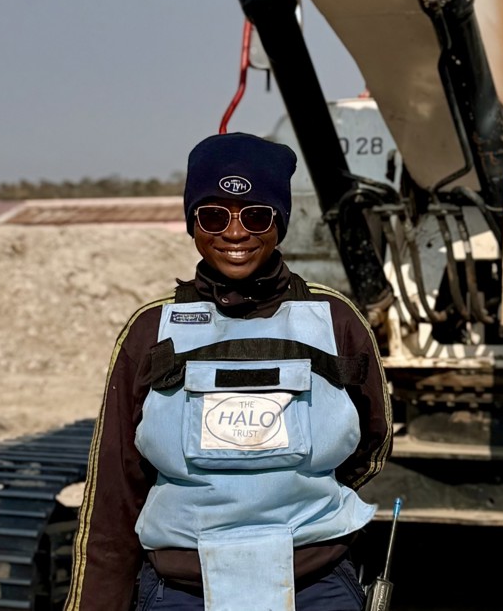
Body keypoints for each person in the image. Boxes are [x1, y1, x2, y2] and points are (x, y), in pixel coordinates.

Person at [65, 133, 392, 611]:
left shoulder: (336, 320)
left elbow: (372, 442)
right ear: (192, 224)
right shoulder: (149, 331)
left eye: (256, 215)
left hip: (315, 588)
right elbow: (116, 491)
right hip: (181, 592)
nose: (235, 233)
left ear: (279, 223)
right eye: (214, 215)